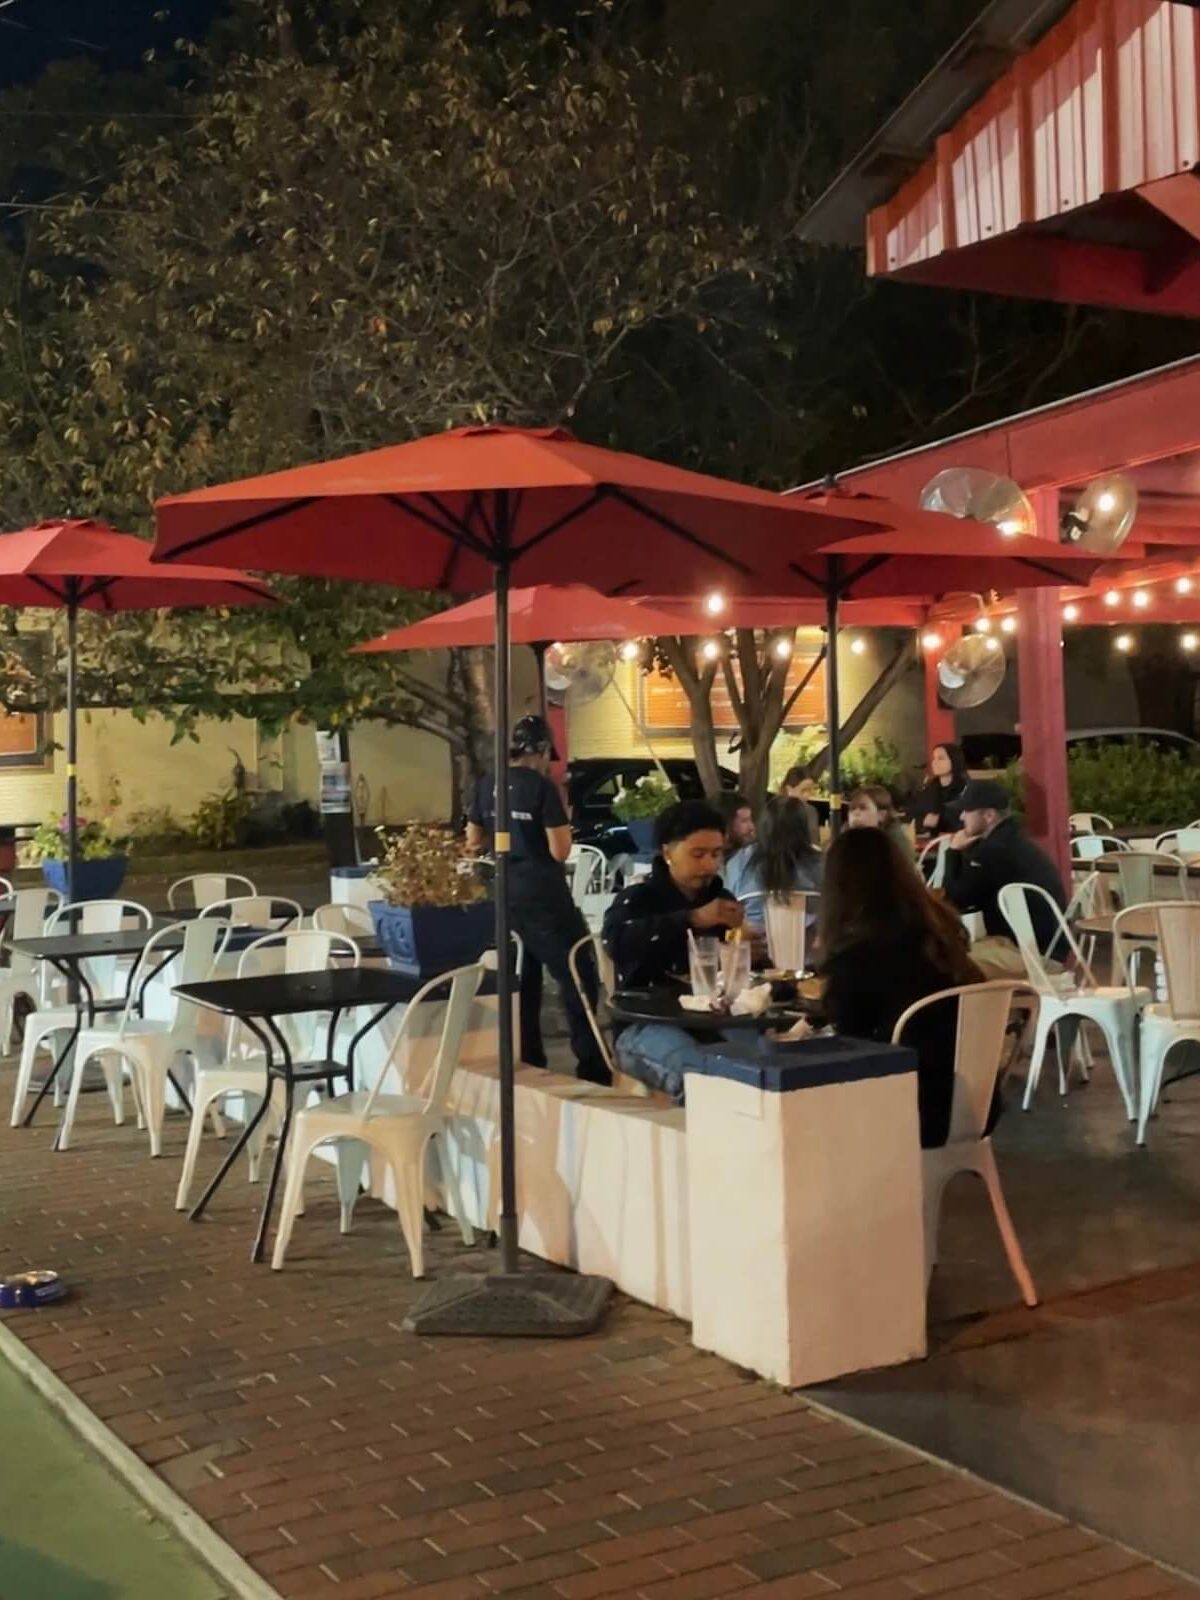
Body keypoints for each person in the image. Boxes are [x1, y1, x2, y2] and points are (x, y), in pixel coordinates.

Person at [818, 827, 987, 1147]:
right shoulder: (939, 931)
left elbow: (850, 1040)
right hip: (974, 1100)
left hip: (911, 1110)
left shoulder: (856, 958)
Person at [466, 713, 609, 1085]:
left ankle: (529, 1058)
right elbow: (561, 851)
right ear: (542, 749)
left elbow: (473, 840)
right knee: (578, 974)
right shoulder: (543, 788)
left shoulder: (486, 784)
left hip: (504, 894)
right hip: (545, 895)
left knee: (522, 981)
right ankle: (592, 1064)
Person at [602, 799, 744, 1098]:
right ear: (667, 852)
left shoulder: (723, 899)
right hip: (643, 1025)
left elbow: (739, 973)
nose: (709, 864)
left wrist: (747, 953)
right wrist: (692, 918)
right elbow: (617, 942)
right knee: (703, 1082)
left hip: (713, 1019)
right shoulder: (638, 899)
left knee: (762, 1067)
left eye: (717, 854)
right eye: (698, 854)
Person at [942, 778, 1067, 958]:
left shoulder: (993, 850)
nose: (961, 817)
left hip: (1029, 952)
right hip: (1049, 945)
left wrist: (953, 852)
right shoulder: (1012, 839)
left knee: (948, 962)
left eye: (967, 811)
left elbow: (954, 900)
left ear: (989, 816)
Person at [725, 795, 823, 931]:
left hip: (752, 945)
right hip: (808, 946)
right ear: (803, 828)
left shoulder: (739, 862)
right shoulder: (821, 864)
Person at [846, 784, 915, 860]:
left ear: (881, 815)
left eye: (863, 808)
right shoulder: (844, 839)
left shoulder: (894, 844)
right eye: (852, 808)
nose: (856, 813)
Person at [915, 742, 969, 837]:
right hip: (929, 842)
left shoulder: (966, 789)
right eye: (934, 759)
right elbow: (915, 817)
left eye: (941, 758)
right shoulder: (929, 789)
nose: (935, 762)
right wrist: (924, 823)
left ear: (954, 760)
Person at [781, 766, 822, 843]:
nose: (807, 795)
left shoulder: (811, 812)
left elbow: (815, 842)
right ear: (789, 789)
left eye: (810, 790)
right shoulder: (775, 812)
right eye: (803, 790)